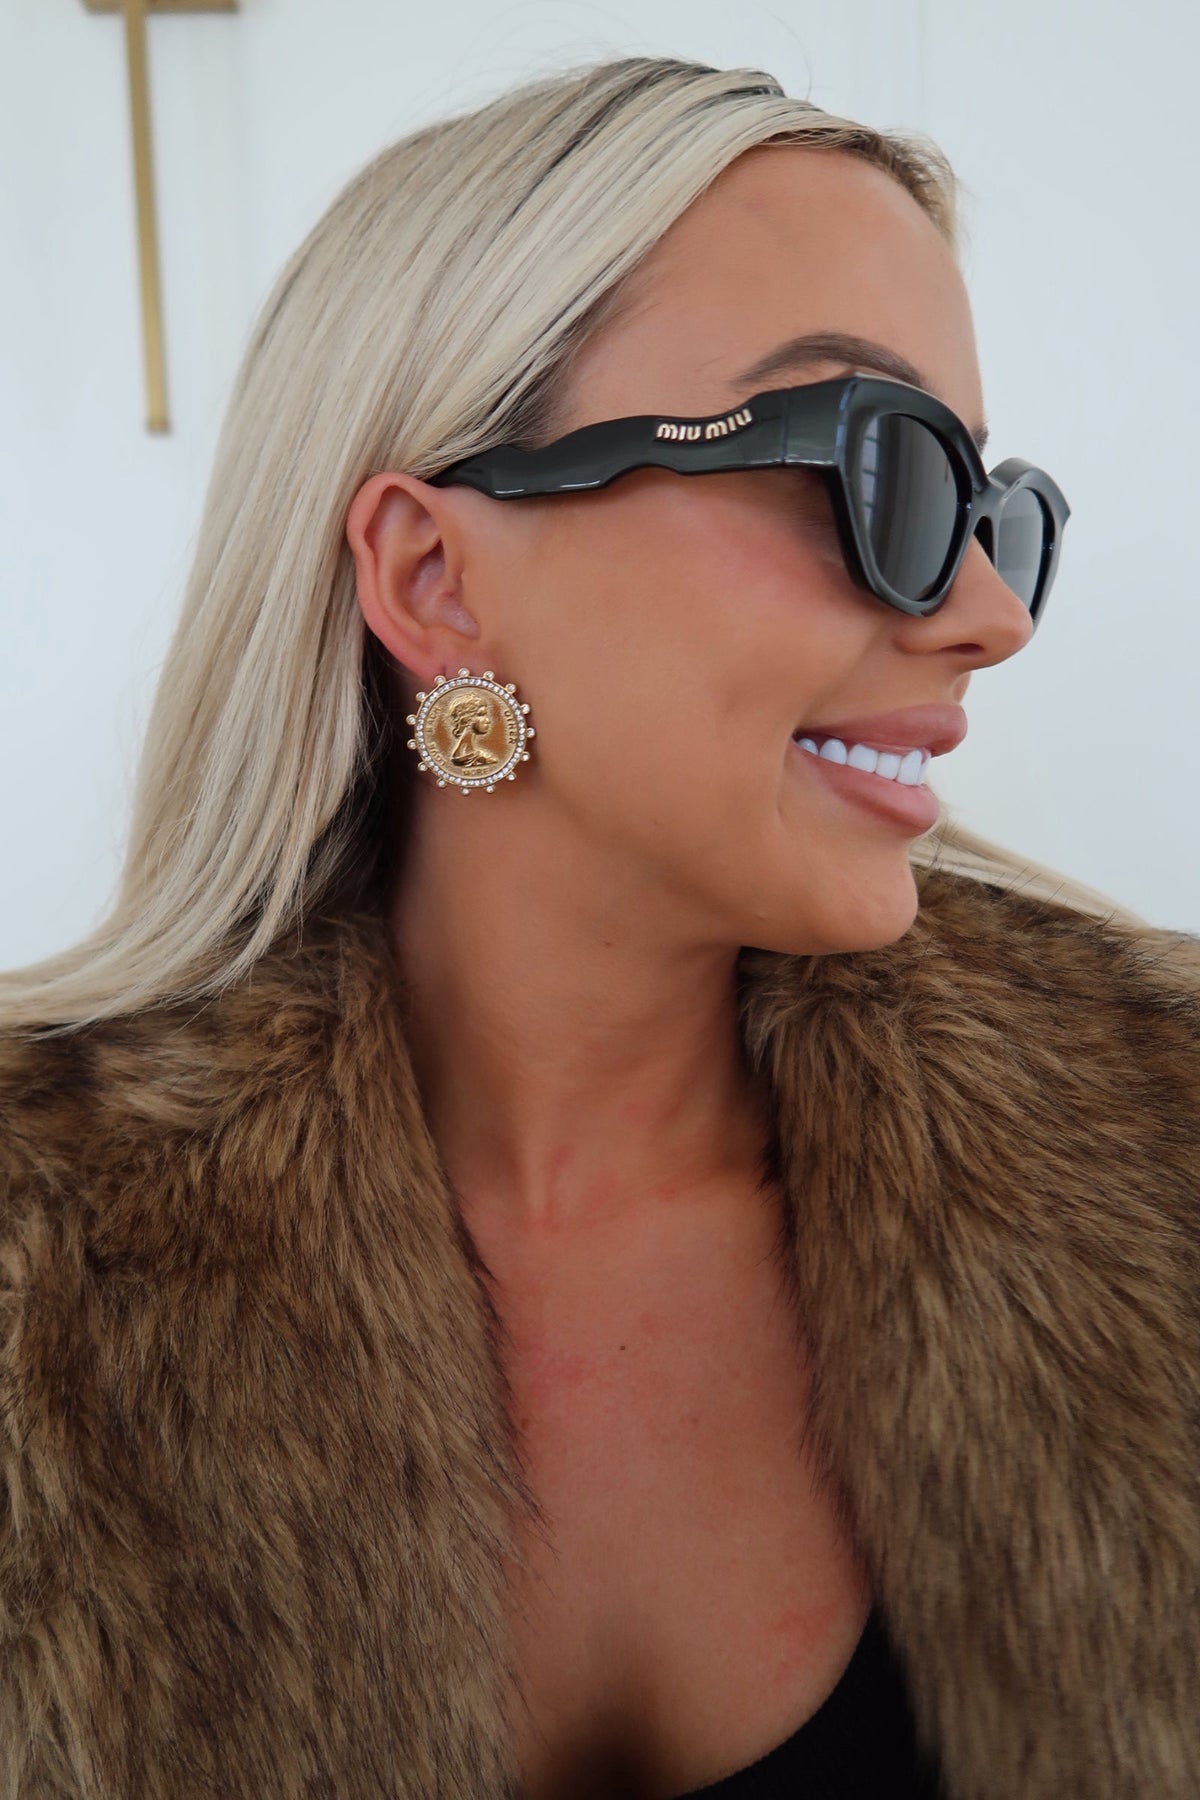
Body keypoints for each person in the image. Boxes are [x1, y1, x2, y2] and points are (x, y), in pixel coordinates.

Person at [0, 53, 1196, 1800]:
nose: (991, 614)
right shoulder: (33, 1269)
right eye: (875, 466)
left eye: (991, 509)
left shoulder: (1164, 1153)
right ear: (435, 578)